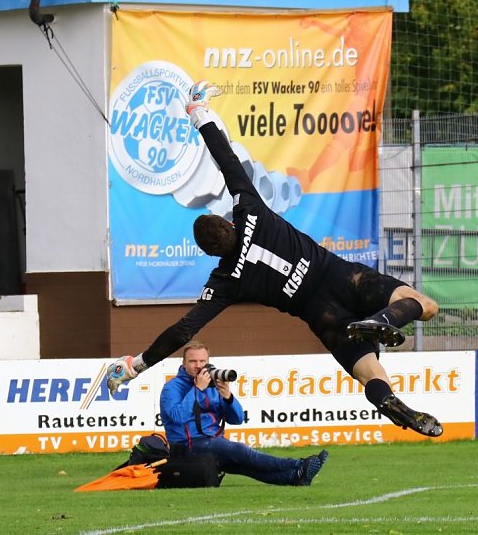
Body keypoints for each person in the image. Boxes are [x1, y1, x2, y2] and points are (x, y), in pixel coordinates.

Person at [107, 81, 443, 437]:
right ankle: (382, 319)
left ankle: (388, 399)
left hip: (321, 315)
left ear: (209, 254)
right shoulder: (251, 210)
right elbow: (226, 158)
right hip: (341, 278)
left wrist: (136, 365)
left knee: (369, 372)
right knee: (424, 305)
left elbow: (184, 330)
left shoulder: (225, 282)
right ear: (227, 222)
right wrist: (198, 112)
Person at [160, 341, 328, 486]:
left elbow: (238, 419)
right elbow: (177, 417)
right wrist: (197, 389)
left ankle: (296, 477)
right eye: (193, 361)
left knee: (246, 466)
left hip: (213, 441)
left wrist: (228, 397)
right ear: (183, 363)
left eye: (202, 361)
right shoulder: (172, 388)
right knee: (240, 450)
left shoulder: (212, 385)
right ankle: (299, 464)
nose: (198, 365)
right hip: (188, 445)